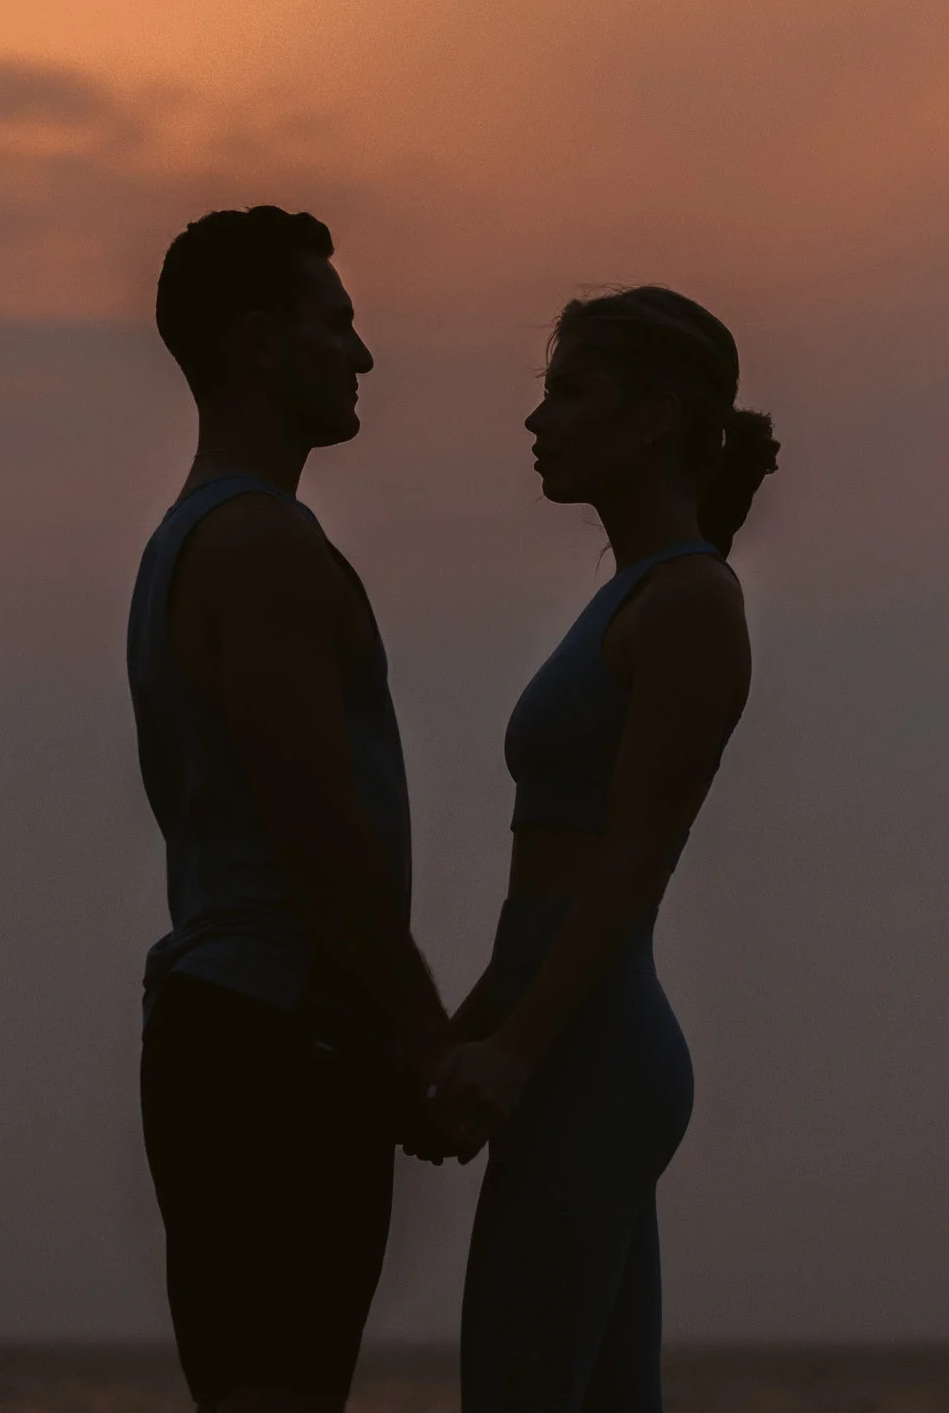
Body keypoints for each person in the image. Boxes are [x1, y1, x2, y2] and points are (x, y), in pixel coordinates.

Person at [128, 206, 453, 1413]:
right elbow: (319, 834)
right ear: (261, 344)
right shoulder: (259, 543)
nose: (360, 356)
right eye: (338, 323)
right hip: (274, 1044)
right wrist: (424, 1041)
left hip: (249, 1032)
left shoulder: (195, 539)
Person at [433, 287, 780, 1413]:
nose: (538, 420)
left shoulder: (689, 600)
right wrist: (466, 1028)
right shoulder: (628, 596)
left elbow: (633, 861)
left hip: (594, 1052)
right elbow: (551, 886)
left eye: (569, 391)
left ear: (653, 418)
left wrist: (517, 1047)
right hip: (562, 1038)